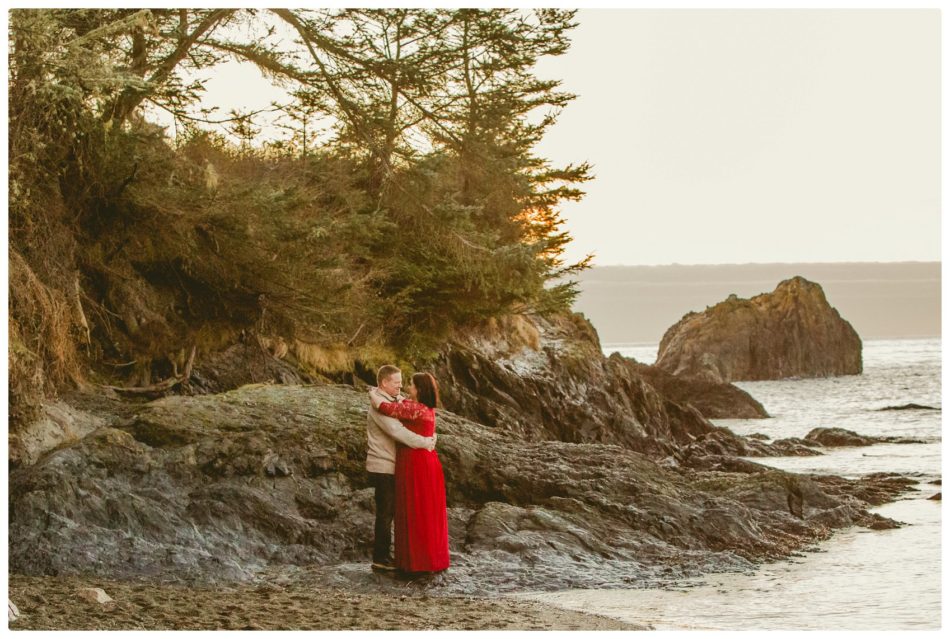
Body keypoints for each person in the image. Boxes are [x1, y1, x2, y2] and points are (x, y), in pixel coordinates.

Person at [371, 372, 450, 574]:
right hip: (426, 461)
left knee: (415, 511)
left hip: (415, 462)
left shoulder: (414, 408)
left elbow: (386, 408)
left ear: (420, 390)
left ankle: (415, 561)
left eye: (411, 385)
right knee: (426, 512)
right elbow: (401, 403)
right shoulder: (427, 409)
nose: (407, 387)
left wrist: (374, 395)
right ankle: (430, 558)